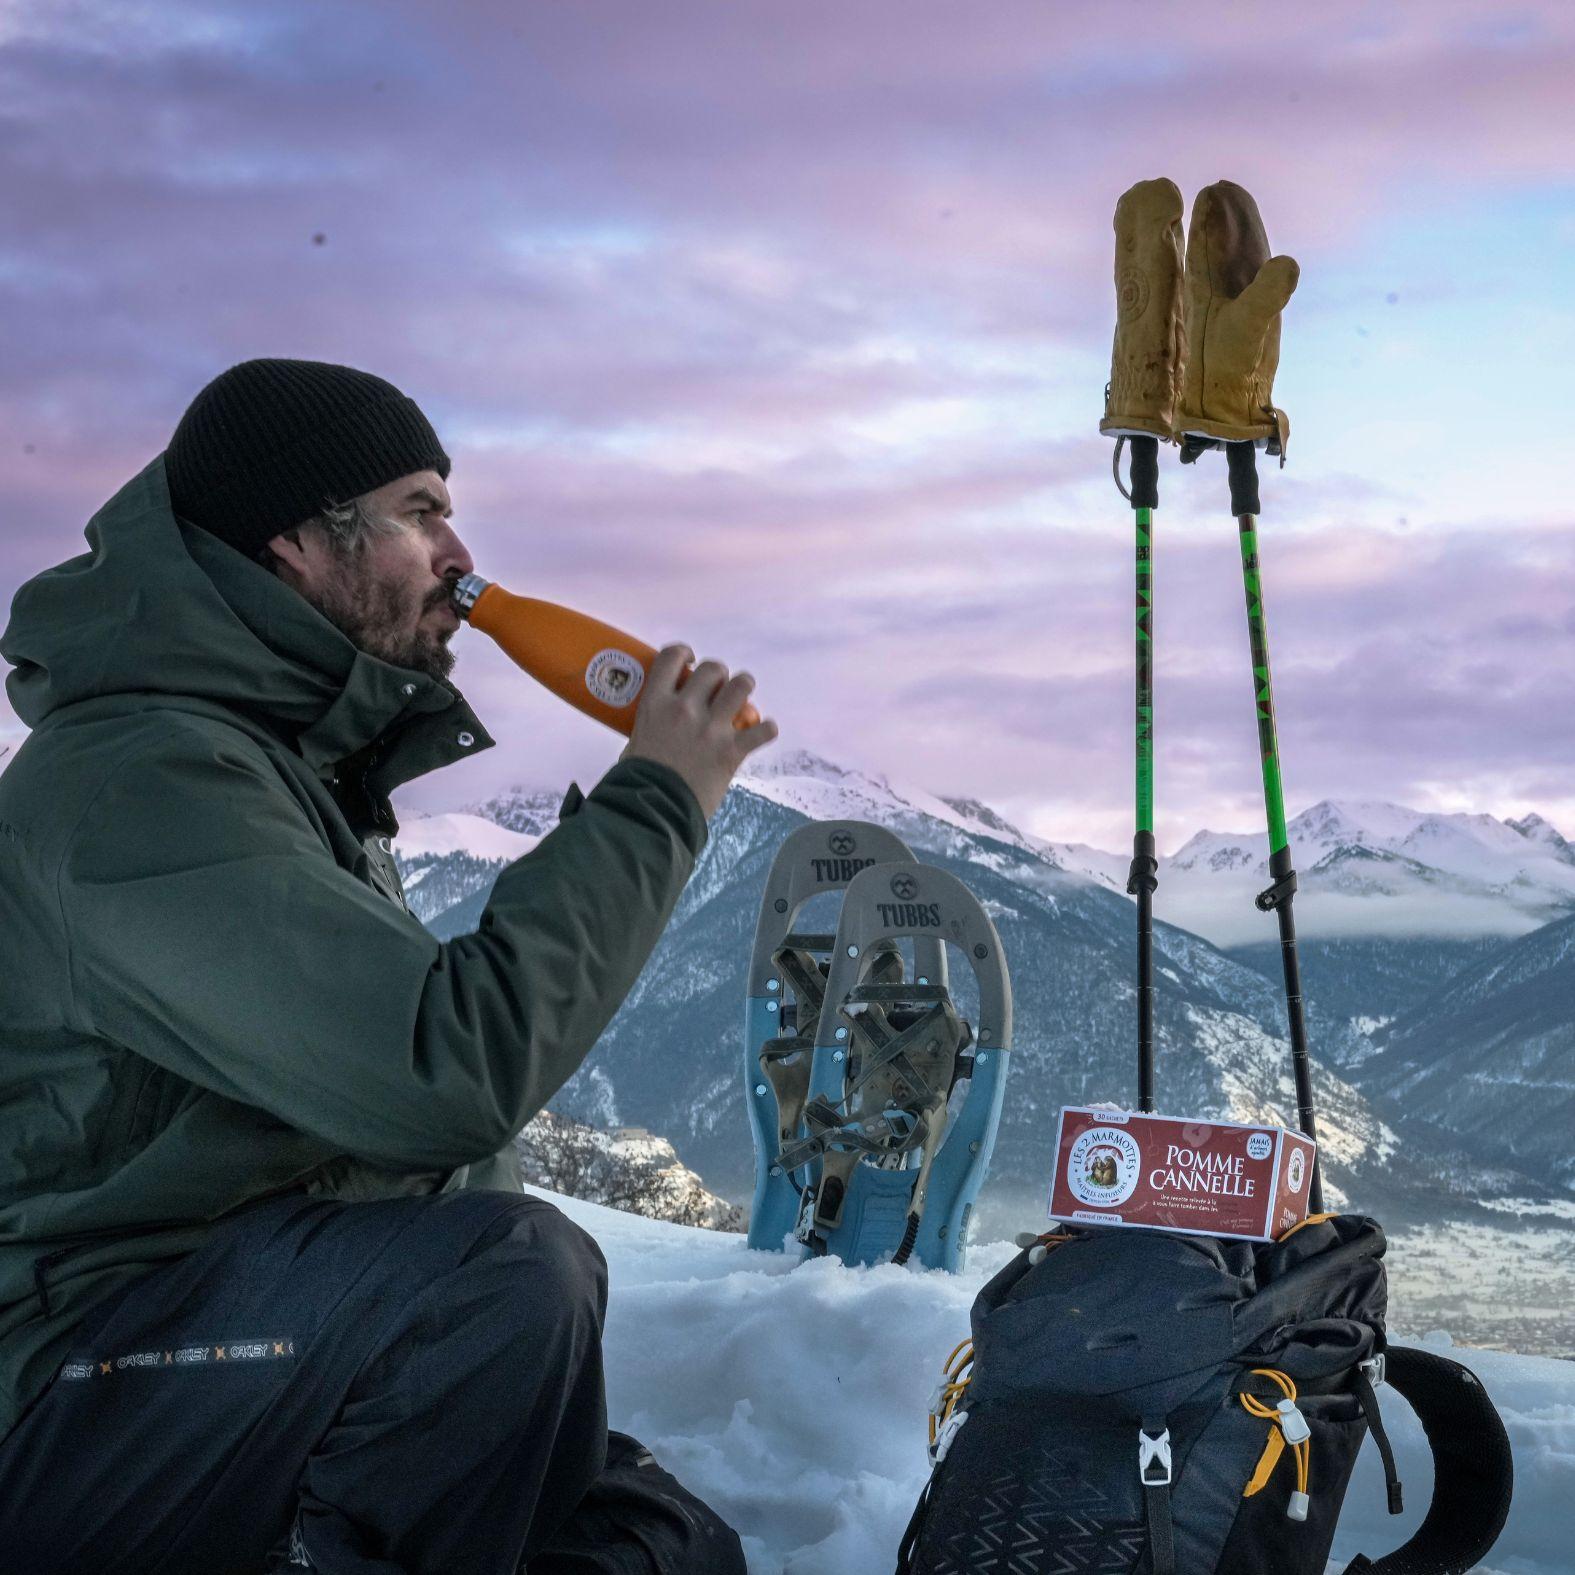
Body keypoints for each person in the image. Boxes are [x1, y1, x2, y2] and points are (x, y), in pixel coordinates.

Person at [0, 357, 775, 1573]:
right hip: (70, 1384)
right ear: (298, 541)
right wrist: (655, 805)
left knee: (657, 1545)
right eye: (420, 512)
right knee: (508, 1278)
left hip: (236, 1337)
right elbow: (441, 1070)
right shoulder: (143, 784)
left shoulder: (281, 765)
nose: (459, 555)